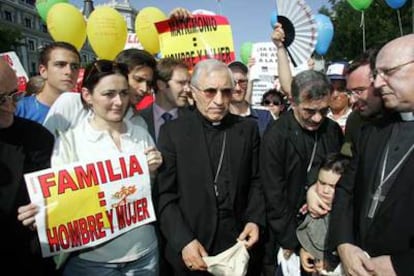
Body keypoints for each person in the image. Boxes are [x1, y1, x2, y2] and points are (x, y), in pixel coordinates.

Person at [17, 59, 163, 275]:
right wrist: (42, 213)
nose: (118, 101)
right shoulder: (69, 142)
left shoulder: (140, 132)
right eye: (109, 94)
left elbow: (148, 194)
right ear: (87, 95)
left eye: (123, 93)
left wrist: (153, 170)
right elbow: (62, 201)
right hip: (92, 262)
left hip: (144, 254)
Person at [155, 59, 265, 275]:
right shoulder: (173, 132)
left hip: (237, 244)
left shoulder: (247, 129)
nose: (219, 100)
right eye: (210, 91)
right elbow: (164, 195)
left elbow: (256, 180)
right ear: (193, 92)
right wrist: (184, 241)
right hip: (193, 245)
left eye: (226, 91)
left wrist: (254, 219)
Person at [328, 34, 414, 276]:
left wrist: (402, 265)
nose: (377, 83)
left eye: (388, 72)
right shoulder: (371, 131)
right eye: (376, 74)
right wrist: (344, 243)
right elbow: (346, 190)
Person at [260, 70, 343, 274]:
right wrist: (298, 243)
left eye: (323, 111)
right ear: (293, 102)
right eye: (309, 111)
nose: (316, 118)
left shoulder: (331, 130)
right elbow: (274, 196)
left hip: (326, 230)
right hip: (289, 234)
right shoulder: (276, 136)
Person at [0, 59, 57, 274]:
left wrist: (45, 211)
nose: (10, 107)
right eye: (0, 100)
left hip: (29, 257)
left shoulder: (38, 137)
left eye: (15, 95)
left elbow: (54, 194)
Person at [43, 48, 156, 137]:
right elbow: (43, 149)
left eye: (149, 83)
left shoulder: (138, 122)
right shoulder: (70, 103)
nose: (145, 89)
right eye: (138, 80)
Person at [296, 153, 350, 275]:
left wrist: (329, 262)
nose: (325, 190)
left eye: (332, 186)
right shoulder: (308, 205)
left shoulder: (347, 216)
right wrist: (303, 249)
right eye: (322, 183)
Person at [15, 41, 81, 124]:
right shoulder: (20, 110)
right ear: (43, 71)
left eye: (75, 66)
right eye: (60, 64)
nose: (69, 71)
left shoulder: (85, 109)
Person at [139, 57, 191, 141]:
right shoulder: (140, 120)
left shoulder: (193, 118)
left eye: (189, 83)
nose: (188, 89)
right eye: (181, 83)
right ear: (161, 85)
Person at [228, 60, 273, 137]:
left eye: (242, 82)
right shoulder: (219, 119)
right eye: (233, 83)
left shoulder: (265, 117)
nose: (238, 88)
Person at [326, 61, 352, 134]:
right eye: (331, 89)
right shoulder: (319, 117)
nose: (335, 95)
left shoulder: (357, 118)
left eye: (340, 89)